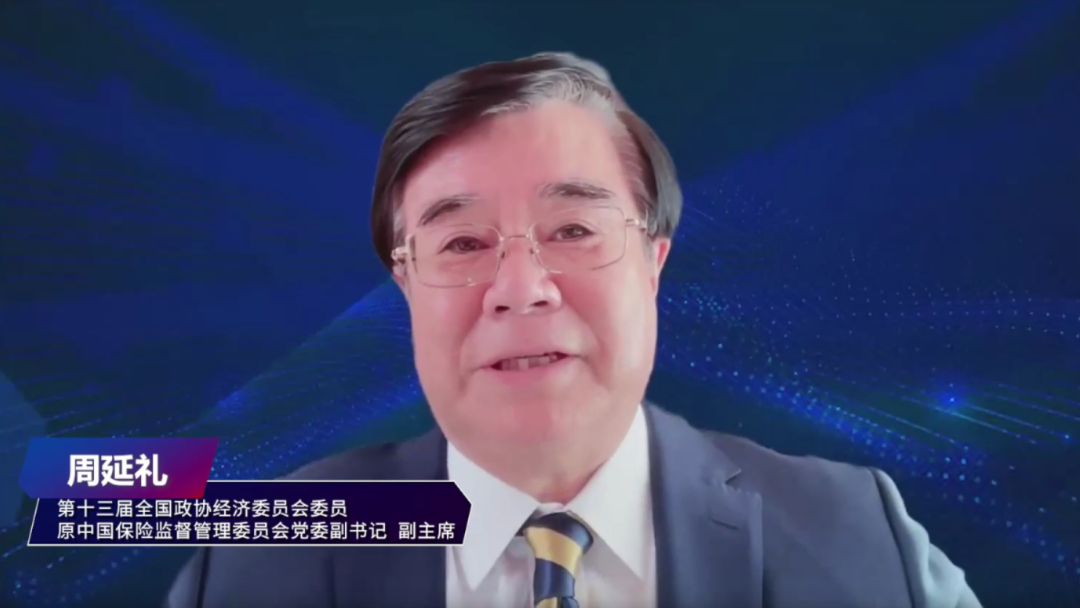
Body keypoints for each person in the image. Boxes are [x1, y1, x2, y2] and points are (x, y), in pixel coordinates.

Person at [165, 52, 982, 608]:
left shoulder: (861, 538)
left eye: (574, 230)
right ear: (404, 284)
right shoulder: (253, 560)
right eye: (462, 244)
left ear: (654, 261)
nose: (521, 290)